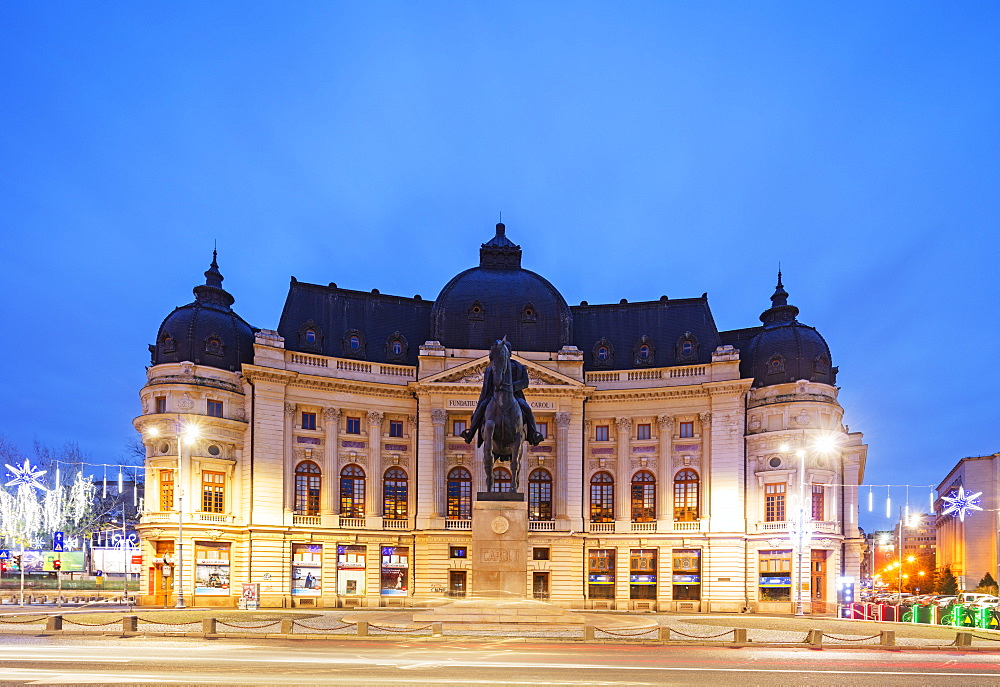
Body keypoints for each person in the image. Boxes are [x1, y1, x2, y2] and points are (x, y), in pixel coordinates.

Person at [460, 340, 544, 446]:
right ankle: (470, 433)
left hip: (514, 396)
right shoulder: (491, 369)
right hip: (494, 396)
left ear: (510, 353)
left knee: (526, 408)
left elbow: (525, 382)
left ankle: (534, 434)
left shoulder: (520, 367)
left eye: (507, 350)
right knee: (482, 407)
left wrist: (511, 387)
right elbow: (487, 387)